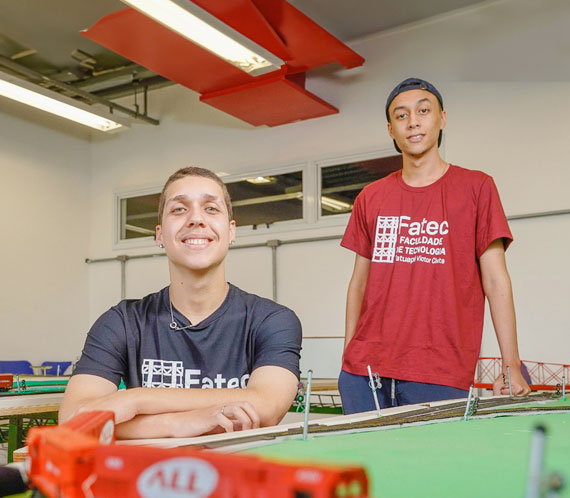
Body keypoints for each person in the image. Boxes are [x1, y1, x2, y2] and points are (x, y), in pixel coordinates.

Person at [60, 167, 302, 438]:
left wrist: (135, 400)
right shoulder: (122, 322)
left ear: (231, 231)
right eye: (179, 209)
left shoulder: (272, 320)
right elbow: (73, 418)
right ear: (160, 235)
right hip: (148, 475)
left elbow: (265, 406)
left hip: (240, 473)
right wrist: (177, 424)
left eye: (211, 208)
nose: (196, 218)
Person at [339, 78, 530, 413]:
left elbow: (496, 281)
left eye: (423, 111)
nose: (413, 121)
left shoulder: (477, 188)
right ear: (390, 130)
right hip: (364, 373)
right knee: (368, 466)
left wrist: (510, 363)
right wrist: (348, 357)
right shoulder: (371, 197)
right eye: (402, 115)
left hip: (440, 372)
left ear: (442, 119)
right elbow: (359, 284)